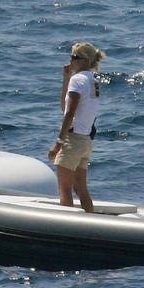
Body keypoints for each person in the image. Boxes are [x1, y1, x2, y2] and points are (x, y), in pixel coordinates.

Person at [47, 42, 105, 213]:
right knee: (80, 189)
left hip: (72, 141)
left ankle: (66, 228)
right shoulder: (91, 80)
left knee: (64, 188)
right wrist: (66, 78)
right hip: (85, 141)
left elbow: (69, 114)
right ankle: (91, 223)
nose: (70, 60)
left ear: (84, 61)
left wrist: (58, 143)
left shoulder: (78, 80)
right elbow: (65, 107)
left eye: (74, 57)